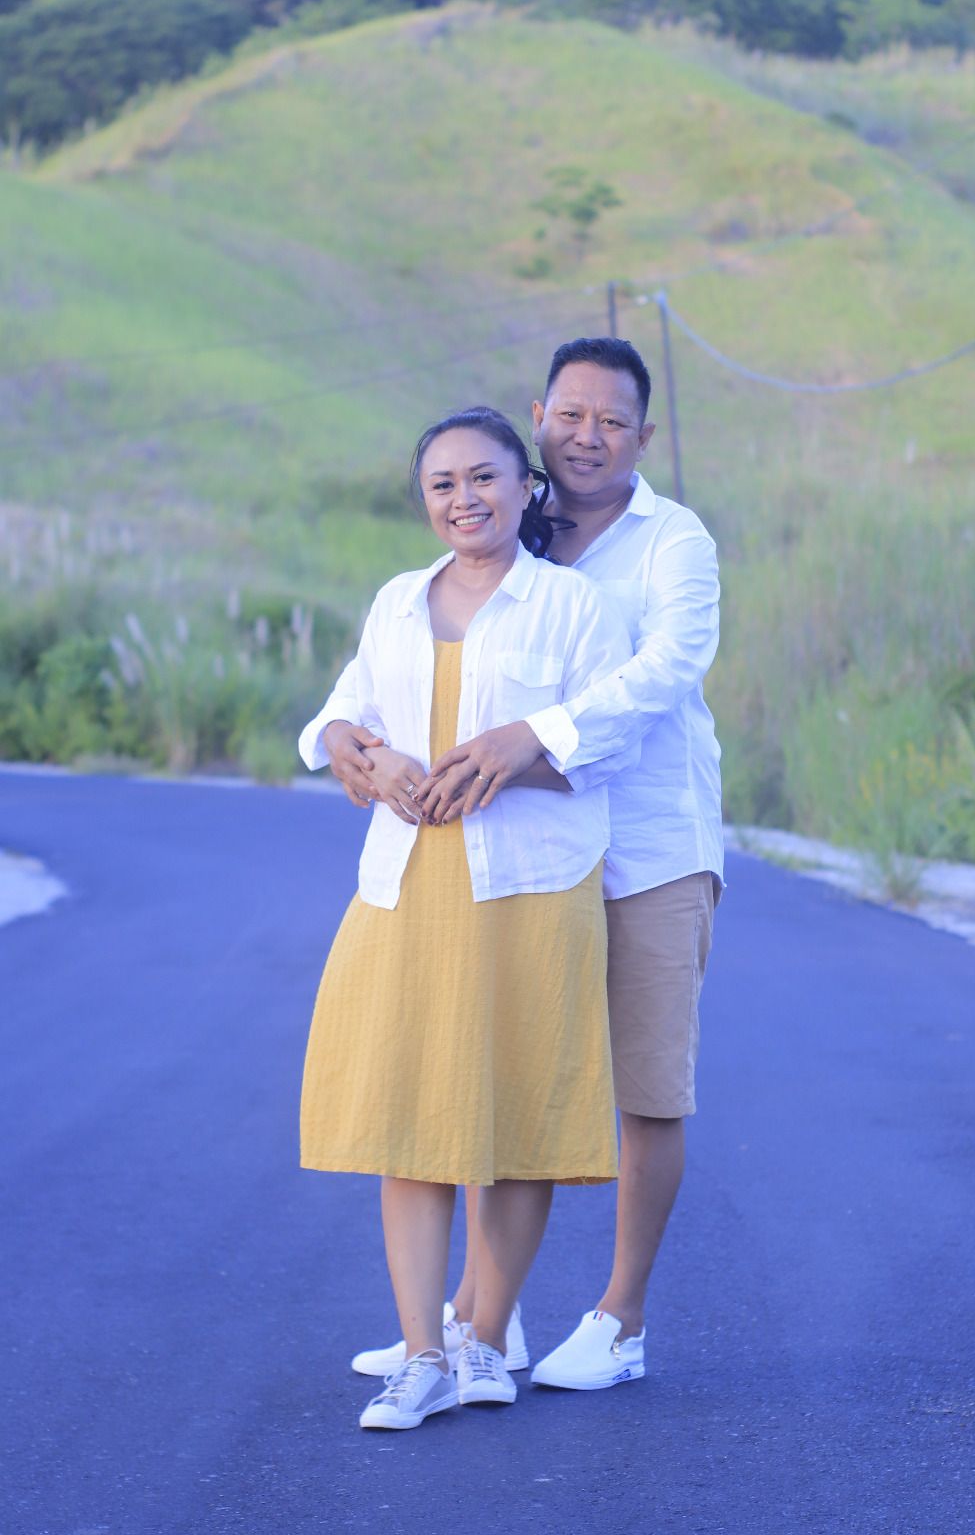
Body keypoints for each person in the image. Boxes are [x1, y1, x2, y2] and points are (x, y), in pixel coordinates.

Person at [337, 340, 724, 1391]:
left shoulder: (672, 541)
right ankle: (480, 1319)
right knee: (503, 1068)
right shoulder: (508, 521)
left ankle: (618, 1319)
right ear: (538, 418)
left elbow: (666, 669)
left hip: (646, 844)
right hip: (523, 850)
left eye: (613, 420)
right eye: (570, 415)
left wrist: (529, 737)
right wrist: (364, 747)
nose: (588, 436)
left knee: (644, 1085)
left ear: (644, 435)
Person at [298, 406, 636, 1431]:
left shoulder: (570, 604)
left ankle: (482, 1337)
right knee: (409, 1120)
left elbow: (611, 740)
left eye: (483, 476)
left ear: (525, 486)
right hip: (408, 885)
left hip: (530, 887)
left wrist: (510, 756)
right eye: (441, 483)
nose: (463, 498)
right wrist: (358, 750)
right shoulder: (396, 602)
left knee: (517, 1121)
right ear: (424, 499)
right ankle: (420, 1356)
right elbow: (338, 715)